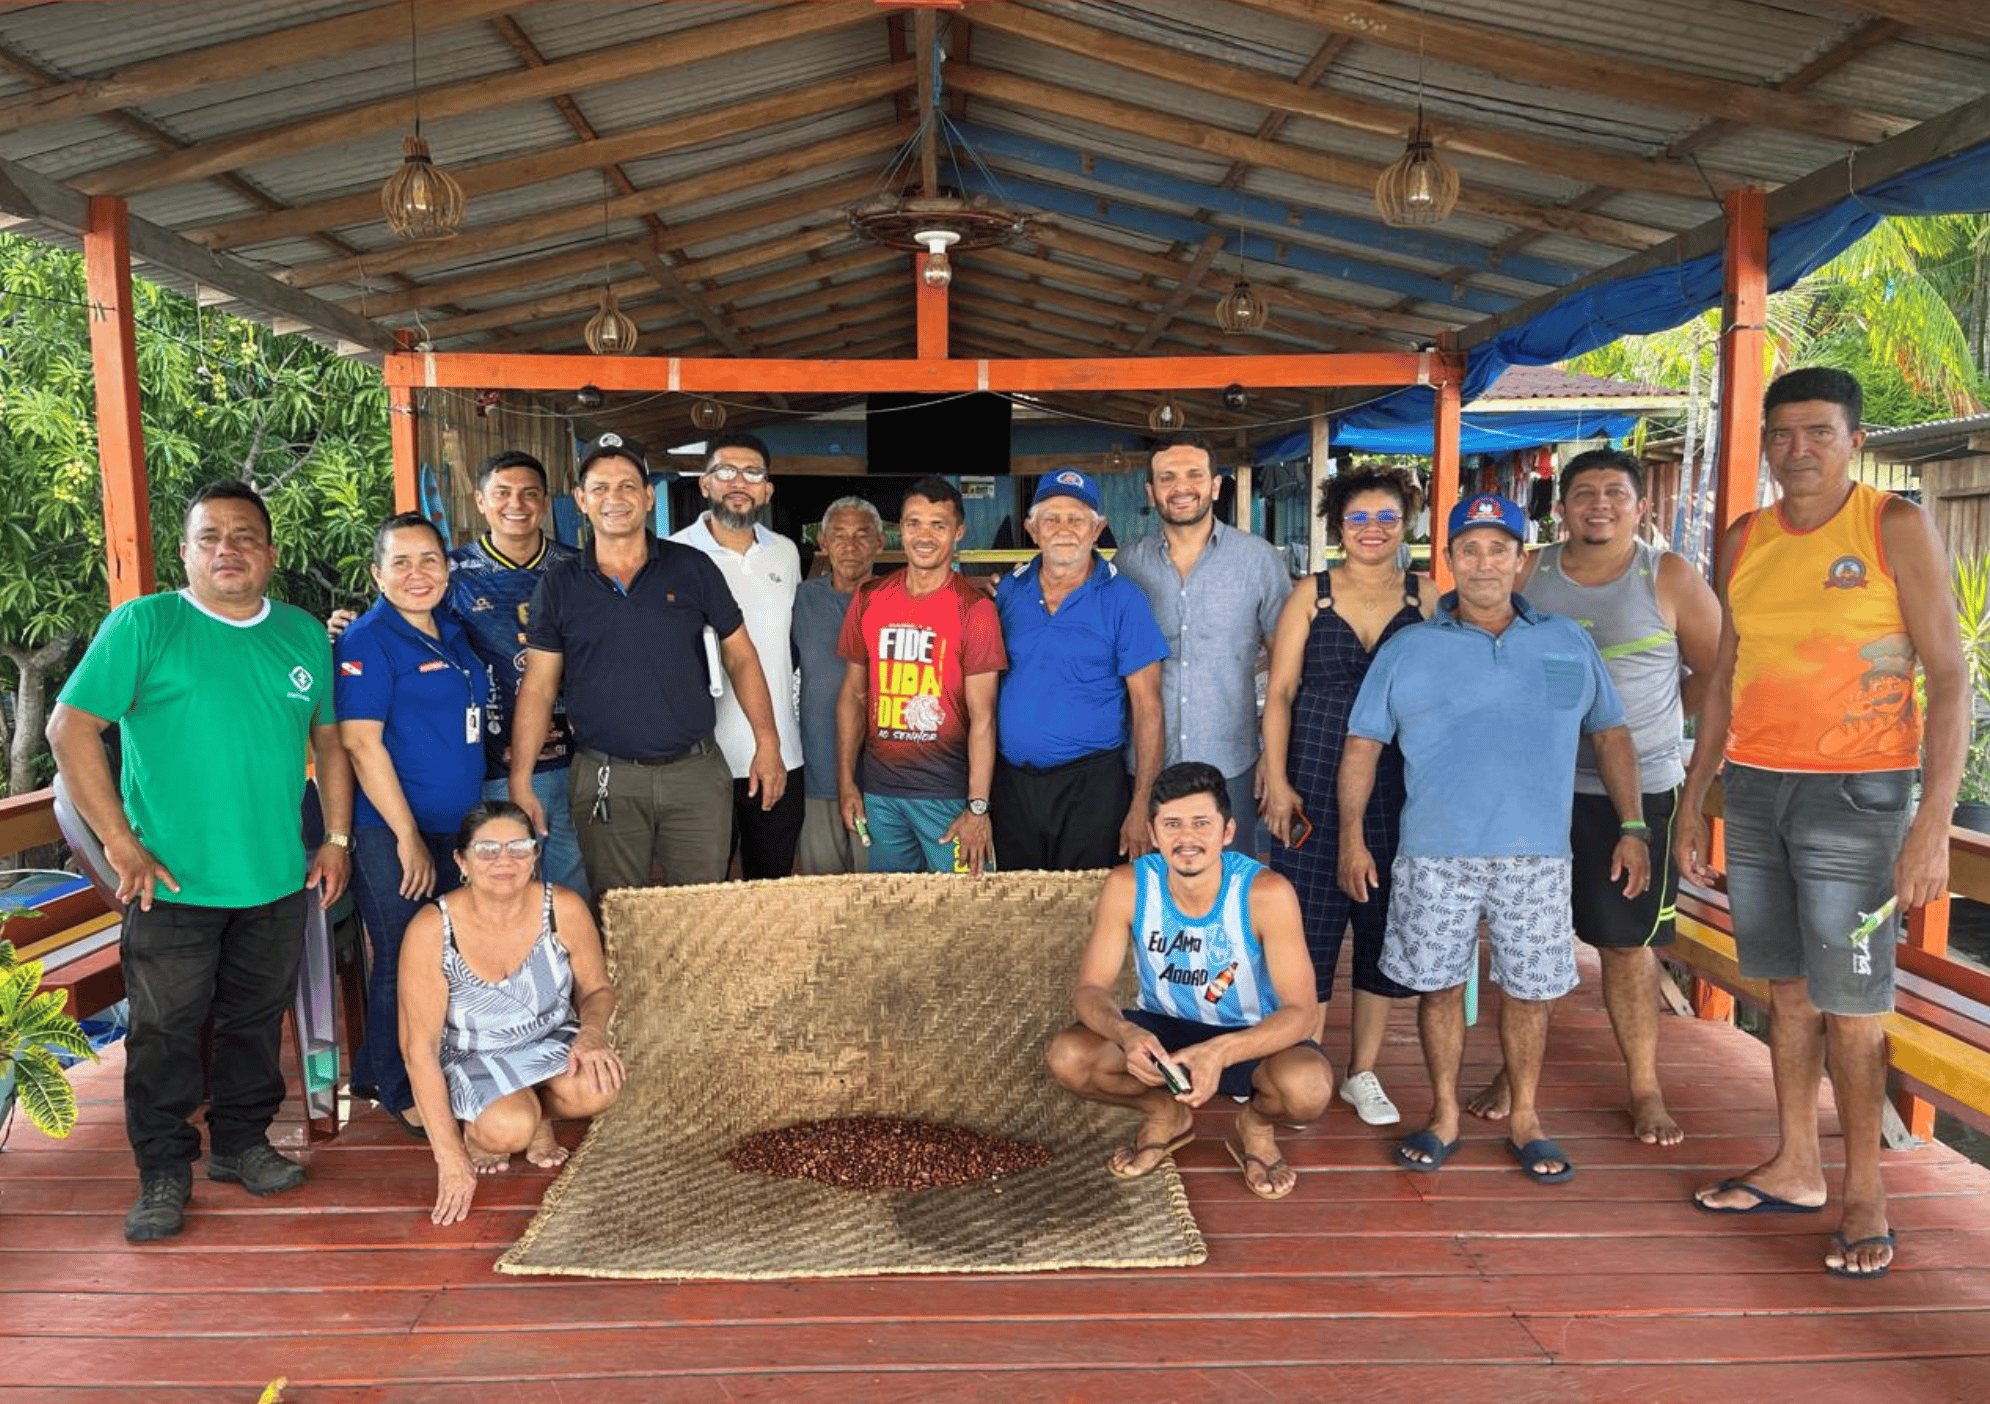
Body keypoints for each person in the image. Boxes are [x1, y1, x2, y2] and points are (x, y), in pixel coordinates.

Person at [1678, 368, 1965, 1279]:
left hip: (1860, 793)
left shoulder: (1892, 526)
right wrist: (1695, 796)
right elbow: (1725, 672)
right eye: (1782, 434)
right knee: (1787, 992)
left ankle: (1864, 1193)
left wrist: (1933, 826)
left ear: (1855, 440)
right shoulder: (1745, 537)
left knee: (1852, 1007)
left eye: (1818, 433)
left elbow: (1951, 679)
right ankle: (1797, 1165)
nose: (1798, 450)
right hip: (1759, 790)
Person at [47, 479, 355, 1242]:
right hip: (173, 882)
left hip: (276, 875)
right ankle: (162, 1171)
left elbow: (327, 742)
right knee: (165, 1030)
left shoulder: (300, 633)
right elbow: (69, 729)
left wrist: (337, 838)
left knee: (254, 1022)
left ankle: (243, 1144)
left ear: (270, 554)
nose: (228, 549)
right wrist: (121, 842)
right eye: (210, 536)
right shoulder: (145, 624)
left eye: (245, 536)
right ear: (185, 552)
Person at [1340, 493, 1648, 1184]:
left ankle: (1527, 1118)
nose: (1484, 562)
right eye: (1469, 549)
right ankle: (1444, 1113)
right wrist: (1353, 838)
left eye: (1498, 548)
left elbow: (1611, 732)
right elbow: (1363, 745)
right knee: (1439, 986)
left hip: (1537, 852)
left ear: (1521, 559)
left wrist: (1632, 826)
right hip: (1434, 850)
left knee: (1529, 991)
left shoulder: (1565, 640)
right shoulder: (1409, 647)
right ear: (1447, 560)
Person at [1465, 448, 1719, 1146]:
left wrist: (1655, 728)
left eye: (1614, 492)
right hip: (1538, 787)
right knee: (1522, 937)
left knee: (1625, 943)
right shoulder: (1530, 572)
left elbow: (1713, 674)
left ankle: (1644, 1086)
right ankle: (1517, 1078)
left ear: (1641, 507)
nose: (1598, 504)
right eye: (1583, 493)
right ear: (1563, 506)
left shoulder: (1665, 575)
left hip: (1636, 796)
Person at [1045, 761, 1332, 1200]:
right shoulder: (1129, 885)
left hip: (1249, 1035)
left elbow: (1302, 1012)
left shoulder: (1266, 893)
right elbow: (1090, 991)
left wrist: (1219, 1052)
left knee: (1308, 1089)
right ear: (1153, 833)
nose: (1187, 838)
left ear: (1228, 831)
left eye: (1202, 823)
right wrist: (1126, 1032)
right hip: (1163, 1029)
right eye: (1172, 824)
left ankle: (1253, 1127)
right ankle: (1164, 1113)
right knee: (1068, 1057)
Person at [511, 437, 784, 897]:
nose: (613, 499)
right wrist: (520, 779)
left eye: (626, 486)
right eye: (598, 488)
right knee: (618, 916)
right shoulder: (559, 584)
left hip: (695, 774)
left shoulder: (692, 568)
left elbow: (741, 654)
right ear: (580, 499)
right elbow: (538, 687)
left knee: (699, 912)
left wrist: (768, 742)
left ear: (648, 495)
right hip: (606, 776)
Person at [1259, 468, 1432, 1129]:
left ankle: (1362, 1071)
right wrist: (1276, 778)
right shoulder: (1313, 593)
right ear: (1338, 526)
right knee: (1306, 925)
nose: (1372, 530)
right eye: (1359, 518)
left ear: (1405, 525)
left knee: (1379, 923)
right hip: (1311, 766)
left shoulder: (1426, 596)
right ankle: (1300, 1059)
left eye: (1386, 518)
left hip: (1397, 777)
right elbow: (1279, 692)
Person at [335, 512, 490, 1139]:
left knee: (445, 956)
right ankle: (402, 1091)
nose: (416, 573)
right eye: (400, 562)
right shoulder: (368, 639)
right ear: (377, 573)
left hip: (456, 826)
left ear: (447, 568)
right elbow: (361, 744)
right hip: (394, 830)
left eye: (429, 559)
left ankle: (385, 1070)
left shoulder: (451, 631)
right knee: (403, 956)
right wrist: (405, 837)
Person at [400, 802, 623, 1227]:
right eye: (486, 850)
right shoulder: (432, 929)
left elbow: (596, 989)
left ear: (535, 855)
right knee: (509, 1127)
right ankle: (498, 1126)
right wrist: (450, 1161)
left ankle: (538, 1114)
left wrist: (591, 1035)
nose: (504, 860)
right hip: (474, 1055)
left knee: (600, 1085)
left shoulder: (563, 907)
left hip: (549, 1039)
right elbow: (419, 1051)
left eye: (519, 847)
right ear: (461, 861)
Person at [1115, 435, 1291, 844]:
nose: (1181, 487)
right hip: (1144, 768)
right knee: (1150, 888)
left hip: (1232, 762)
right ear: (1151, 491)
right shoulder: (1127, 565)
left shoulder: (1258, 560)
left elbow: (1285, 667)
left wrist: (1272, 755)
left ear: (1215, 485)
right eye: (1167, 477)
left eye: (1194, 475)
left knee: (1231, 885)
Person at [993, 469, 1168, 871]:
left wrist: (1141, 803)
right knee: (1019, 906)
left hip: (1091, 787)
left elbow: (1148, 708)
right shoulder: (1008, 592)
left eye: (1077, 519)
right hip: (1013, 785)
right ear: (1032, 530)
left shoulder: (1124, 598)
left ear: (1098, 528)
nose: (1064, 529)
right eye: (1051, 519)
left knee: (1087, 909)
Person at [836, 477, 1007, 874]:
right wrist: (848, 780)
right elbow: (852, 696)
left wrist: (977, 807)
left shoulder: (974, 610)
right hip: (881, 795)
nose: (924, 535)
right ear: (900, 529)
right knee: (894, 912)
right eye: (914, 523)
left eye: (938, 525)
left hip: (948, 797)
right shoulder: (870, 598)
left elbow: (984, 718)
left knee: (966, 912)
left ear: (958, 532)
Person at [447, 449, 588, 898]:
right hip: (495, 763)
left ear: (545, 503)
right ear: (480, 501)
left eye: (530, 495)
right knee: (504, 889)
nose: (517, 504)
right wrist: (347, 626)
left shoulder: (579, 567)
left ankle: (572, 969)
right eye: (503, 493)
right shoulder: (452, 574)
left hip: (576, 760)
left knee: (572, 889)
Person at [669, 432, 806, 879]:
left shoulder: (785, 553)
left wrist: (774, 746)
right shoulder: (673, 554)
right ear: (705, 484)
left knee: (771, 885)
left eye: (752, 473)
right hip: (699, 760)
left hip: (779, 754)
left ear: (767, 489)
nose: (739, 483)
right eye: (725, 471)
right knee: (701, 893)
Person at [793, 497, 884, 876]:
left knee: (881, 893)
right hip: (818, 769)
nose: (851, 546)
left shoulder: (899, 598)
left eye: (862, 535)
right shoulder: (798, 600)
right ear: (822, 541)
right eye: (839, 535)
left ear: (880, 542)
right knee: (824, 896)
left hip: (885, 781)